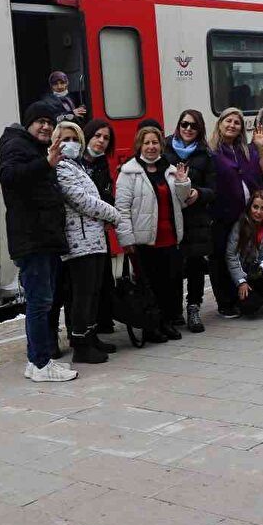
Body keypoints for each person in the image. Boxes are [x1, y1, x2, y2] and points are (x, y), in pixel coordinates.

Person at [0, 100, 76, 382]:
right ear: (28, 124)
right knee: (39, 303)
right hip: (33, 239)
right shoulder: (17, 146)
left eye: (49, 122)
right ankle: (41, 364)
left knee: (41, 301)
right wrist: (45, 163)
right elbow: (8, 177)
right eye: (39, 121)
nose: (45, 126)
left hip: (41, 237)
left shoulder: (33, 148)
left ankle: (36, 362)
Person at [114, 126, 192, 342]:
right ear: (140, 145)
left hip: (169, 238)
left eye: (155, 142)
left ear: (161, 145)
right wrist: (126, 239)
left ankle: (166, 323)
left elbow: (182, 200)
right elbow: (121, 209)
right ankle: (151, 326)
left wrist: (183, 181)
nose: (151, 147)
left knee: (168, 285)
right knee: (148, 287)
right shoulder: (128, 172)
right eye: (147, 143)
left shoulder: (169, 169)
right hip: (144, 241)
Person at [53, 122, 122, 364]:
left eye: (74, 138)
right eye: (65, 138)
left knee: (92, 293)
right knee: (82, 295)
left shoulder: (76, 165)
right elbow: (81, 200)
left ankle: (91, 337)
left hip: (92, 240)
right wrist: (112, 213)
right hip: (78, 242)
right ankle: (81, 344)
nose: (70, 143)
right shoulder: (61, 168)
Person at [205, 107, 263, 319]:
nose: (232, 125)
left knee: (242, 255)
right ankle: (225, 302)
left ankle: (241, 293)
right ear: (220, 124)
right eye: (228, 121)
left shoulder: (246, 150)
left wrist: (261, 148)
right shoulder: (210, 151)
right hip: (222, 215)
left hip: (245, 215)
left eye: (236, 122)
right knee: (220, 257)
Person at [164, 110, 218, 334]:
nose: (188, 129)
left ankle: (194, 308)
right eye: (184, 124)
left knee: (195, 265)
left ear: (200, 130)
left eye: (193, 126)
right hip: (170, 216)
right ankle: (173, 311)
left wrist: (199, 193)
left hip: (195, 218)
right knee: (173, 265)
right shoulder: (164, 148)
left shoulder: (205, 154)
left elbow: (213, 190)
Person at [81, 118, 117, 334]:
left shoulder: (102, 164)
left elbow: (107, 195)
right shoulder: (75, 162)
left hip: (99, 231)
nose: (101, 141)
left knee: (103, 279)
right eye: (97, 136)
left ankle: (104, 321)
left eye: (106, 138)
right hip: (80, 234)